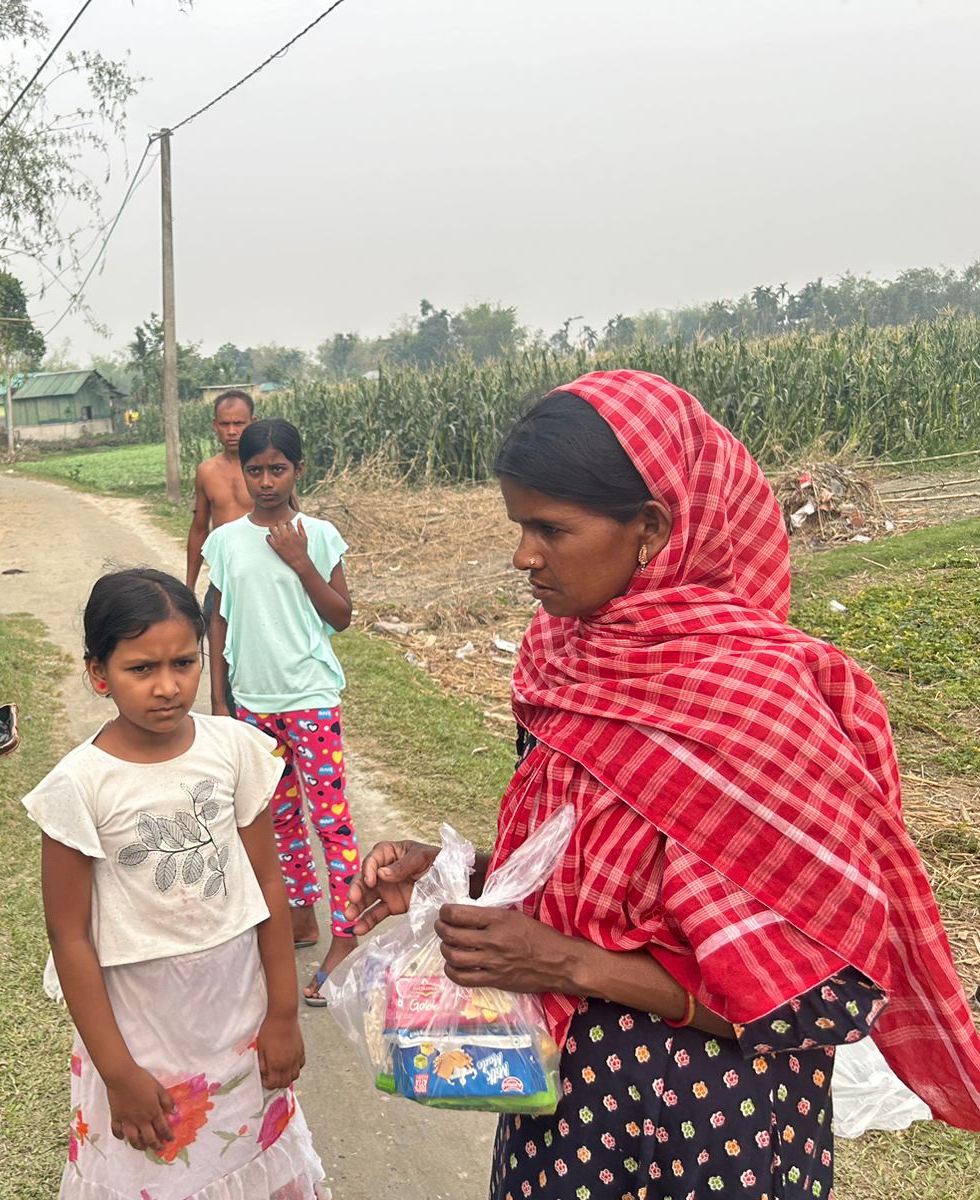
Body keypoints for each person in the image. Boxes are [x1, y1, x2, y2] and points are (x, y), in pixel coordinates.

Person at [347, 371, 980, 1199]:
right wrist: (455, 876)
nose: (523, 555)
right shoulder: (560, 664)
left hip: (719, 1130)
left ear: (651, 527)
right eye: (518, 525)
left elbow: (826, 998)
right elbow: (586, 871)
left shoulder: (761, 702)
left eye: (549, 528)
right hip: (558, 1117)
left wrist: (570, 965)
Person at [24, 568, 328, 1199]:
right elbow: (70, 936)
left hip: (236, 1014)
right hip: (140, 1028)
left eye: (185, 662)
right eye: (141, 669)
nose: (168, 686)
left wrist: (281, 1013)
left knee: (244, 1152)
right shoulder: (79, 787)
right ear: (97, 673)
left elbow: (269, 888)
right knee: (155, 1165)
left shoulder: (236, 750)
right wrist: (117, 1072)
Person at [202, 419, 359, 1006]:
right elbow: (216, 620)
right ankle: (301, 916)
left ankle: (346, 940)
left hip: (310, 700)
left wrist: (301, 563)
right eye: (255, 470)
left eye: (278, 469)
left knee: (331, 820)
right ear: (241, 471)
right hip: (253, 704)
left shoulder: (319, 535)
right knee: (278, 818)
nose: (266, 481)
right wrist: (220, 700)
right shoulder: (226, 541)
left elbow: (341, 616)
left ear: (299, 469)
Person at [186, 390, 255, 722]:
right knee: (222, 656)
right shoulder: (207, 471)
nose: (232, 431)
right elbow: (199, 527)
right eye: (225, 424)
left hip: (260, 581)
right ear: (215, 426)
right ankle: (229, 722)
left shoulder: (265, 468)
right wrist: (188, 585)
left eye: (239, 423)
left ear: (252, 423)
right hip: (223, 581)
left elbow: (293, 517)